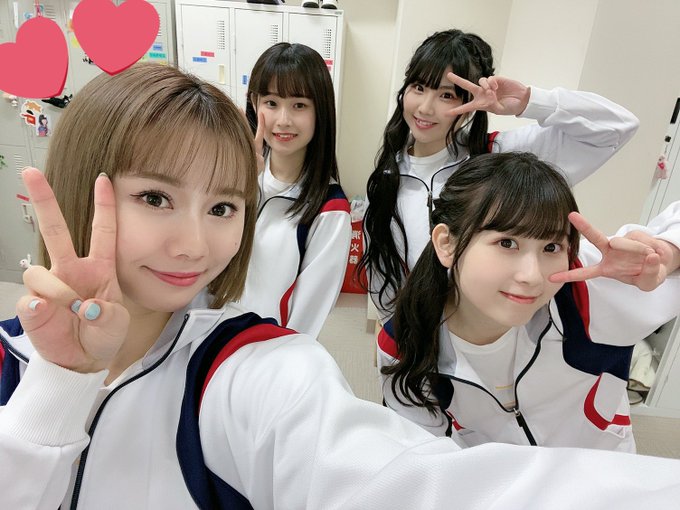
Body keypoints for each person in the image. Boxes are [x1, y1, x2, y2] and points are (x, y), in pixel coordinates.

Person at [1, 63, 680, 510]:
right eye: (155, 198)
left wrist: (666, 254)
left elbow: (412, 484)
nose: (194, 245)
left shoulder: (258, 370)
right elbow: (387, 266)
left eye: (223, 207)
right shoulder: (391, 191)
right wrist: (59, 386)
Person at [378, 151, 680, 452]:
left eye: (551, 247)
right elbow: (425, 456)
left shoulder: (589, 287)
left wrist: (668, 253)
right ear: (447, 243)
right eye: (507, 243)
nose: (532, 276)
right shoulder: (406, 340)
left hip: (601, 475)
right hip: (500, 480)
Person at [358, 29, 640, 321]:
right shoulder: (387, 178)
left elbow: (618, 127)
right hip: (417, 331)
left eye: (447, 95)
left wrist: (529, 101)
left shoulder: (501, 158)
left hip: (489, 332)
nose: (425, 108)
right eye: (419, 87)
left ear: (471, 104)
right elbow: (381, 273)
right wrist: (395, 331)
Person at [241, 42, 351, 338]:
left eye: (299, 105)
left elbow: (305, 322)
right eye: (271, 103)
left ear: (320, 112)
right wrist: (238, 185)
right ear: (254, 103)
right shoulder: (235, 179)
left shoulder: (330, 210)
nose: (283, 120)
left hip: (264, 352)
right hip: (207, 341)